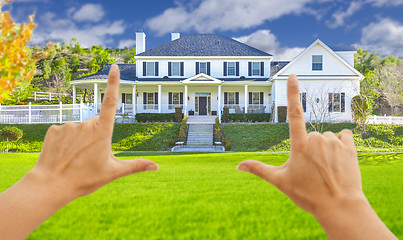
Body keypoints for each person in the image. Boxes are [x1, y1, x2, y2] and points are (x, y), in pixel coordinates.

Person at [0, 65, 397, 239]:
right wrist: (345, 205)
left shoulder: (239, 85)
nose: (203, 108)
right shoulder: (164, 85)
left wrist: (44, 182)